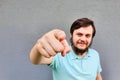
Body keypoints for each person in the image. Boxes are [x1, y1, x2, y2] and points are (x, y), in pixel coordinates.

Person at [29, 18, 102, 80]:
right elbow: (35, 60)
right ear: (71, 35)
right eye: (79, 34)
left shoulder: (95, 54)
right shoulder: (60, 54)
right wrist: (38, 48)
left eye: (87, 36)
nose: (83, 39)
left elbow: (97, 76)